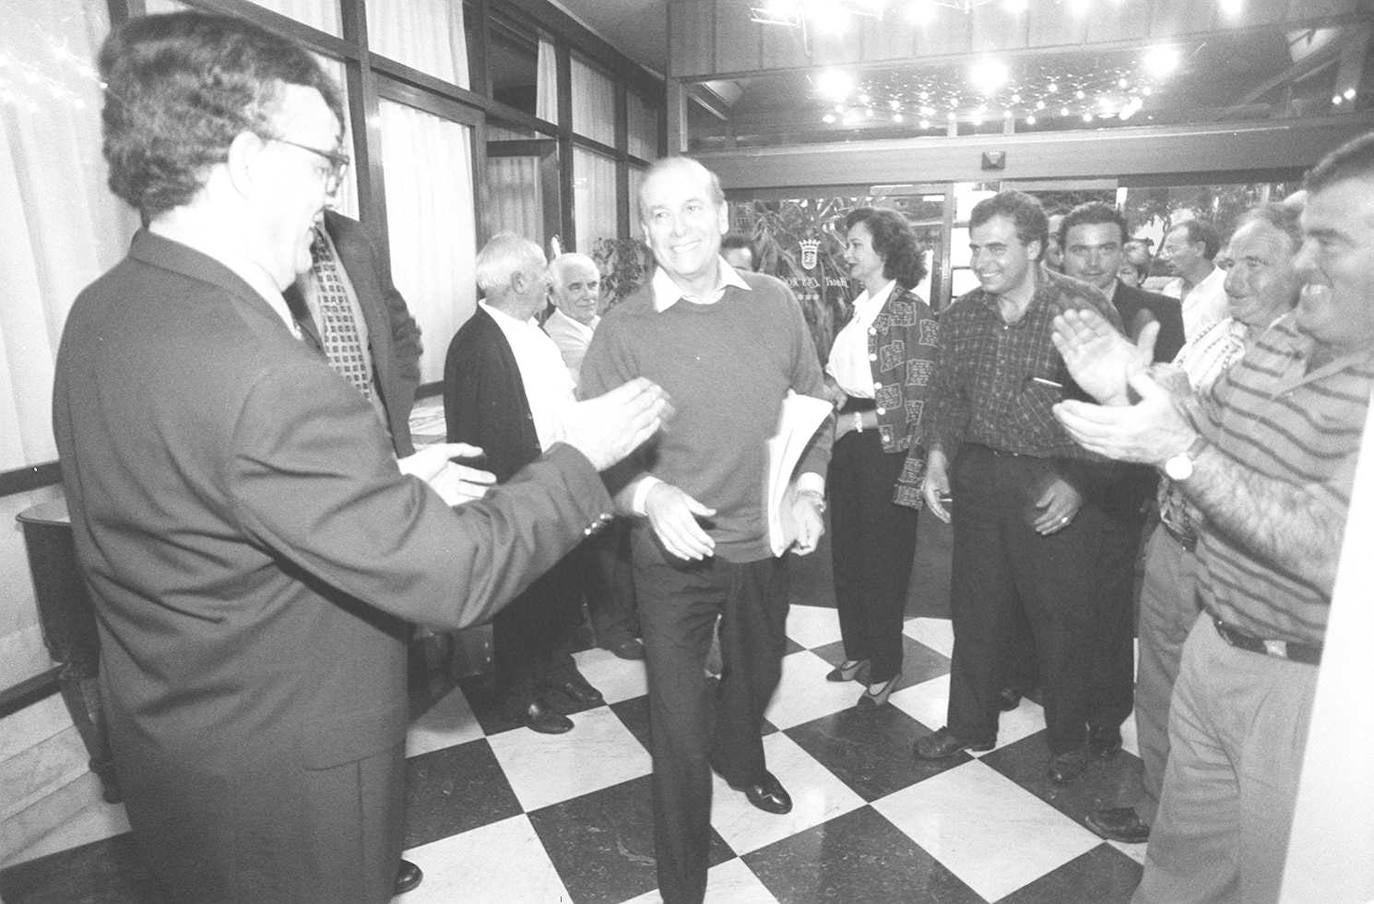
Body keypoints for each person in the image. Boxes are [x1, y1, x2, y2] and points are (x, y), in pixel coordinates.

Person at [53, 13, 668, 903]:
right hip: (288, 778)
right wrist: (582, 458)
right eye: (324, 162)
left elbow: (205, 511)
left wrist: (376, 487)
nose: (329, 194)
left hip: (180, 750)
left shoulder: (107, 311)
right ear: (247, 158)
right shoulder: (264, 371)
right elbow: (458, 577)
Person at [1051, 134, 1374, 903]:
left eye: (1328, 242)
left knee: (1279, 881)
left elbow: (1337, 546)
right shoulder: (1287, 335)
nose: (1301, 264)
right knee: (1182, 867)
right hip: (1216, 638)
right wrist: (1129, 384)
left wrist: (1181, 451)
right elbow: (1207, 423)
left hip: (1306, 684)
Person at [580, 156, 831, 904]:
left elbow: (813, 408)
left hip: (763, 546)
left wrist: (808, 490)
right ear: (645, 229)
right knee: (678, 731)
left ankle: (744, 758)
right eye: (660, 213)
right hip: (671, 560)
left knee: (758, 679)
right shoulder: (621, 330)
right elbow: (590, 461)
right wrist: (649, 496)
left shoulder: (776, 301)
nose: (679, 227)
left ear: (723, 216)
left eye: (694, 208)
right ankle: (682, 883)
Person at [1080, 201, 1305, 846]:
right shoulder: (1217, 334)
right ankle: (1158, 806)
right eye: (1230, 263)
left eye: (1254, 263)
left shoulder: (1320, 361)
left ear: (1304, 266)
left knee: (1240, 731)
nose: (1233, 278)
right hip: (1176, 541)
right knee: (1160, 683)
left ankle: (1223, 842)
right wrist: (1128, 380)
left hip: (1249, 570)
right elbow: (1169, 392)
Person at [915, 190, 1122, 785]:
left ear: (1033, 247)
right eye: (975, 249)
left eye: (996, 248)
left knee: (1061, 618)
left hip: (1054, 477)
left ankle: (1067, 741)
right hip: (980, 474)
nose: (982, 261)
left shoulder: (1081, 310)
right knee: (975, 611)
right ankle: (968, 725)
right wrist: (935, 459)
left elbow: (1114, 405)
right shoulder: (963, 315)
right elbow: (947, 397)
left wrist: (1080, 482)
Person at [283, 208, 425, 892]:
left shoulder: (350, 236)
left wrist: (395, 400)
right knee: (321, 669)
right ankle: (338, 852)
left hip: (380, 461)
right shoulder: (255, 239)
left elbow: (397, 326)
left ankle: (369, 843)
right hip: (307, 480)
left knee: (378, 662)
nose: (327, 183)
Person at [444, 235, 608, 734]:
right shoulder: (477, 344)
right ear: (518, 282)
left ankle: (557, 670)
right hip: (517, 496)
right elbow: (479, 439)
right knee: (521, 601)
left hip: (554, 482)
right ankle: (520, 696)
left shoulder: (531, 331)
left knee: (558, 591)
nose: (548, 283)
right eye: (542, 273)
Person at [1058, 202, 1186, 760]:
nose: (1091, 261)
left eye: (1105, 248)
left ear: (1124, 250)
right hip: (1044, 468)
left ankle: (1106, 714)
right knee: (1042, 595)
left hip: (1117, 484)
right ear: (1061, 251)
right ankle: (1038, 685)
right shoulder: (1043, 304)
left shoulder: (1157, 312)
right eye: (1080, 248)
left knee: (1107, 605)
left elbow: (1171, 405)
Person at [821, 206, 938, 707]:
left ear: (885, 252)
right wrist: (831, 396)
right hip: (848, 442)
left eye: (856, 245)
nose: (847, 253)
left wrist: (856, 421)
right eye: (847, 244)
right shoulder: (859, 307)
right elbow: (848, 377)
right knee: (847, 551)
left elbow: (921, 400)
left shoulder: (912, 312)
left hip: (886, 449)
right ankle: (859, 649)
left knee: (884, 559)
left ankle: (886, 664)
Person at [545, 252, 644, 660]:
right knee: (601, 546)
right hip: (586, 456)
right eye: (576, 287)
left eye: (593, 285)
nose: (588, 295)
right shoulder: (555, 336)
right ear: (553, 294)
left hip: (617, 449)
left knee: (620, 541)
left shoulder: (598, 327)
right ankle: (610, 627)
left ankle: (622, 619)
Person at [1159, 219, 1227, 341]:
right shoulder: (1170, 290)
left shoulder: (1227, 290)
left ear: (1199, 249)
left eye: (1171, 250)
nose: (1164, 257)